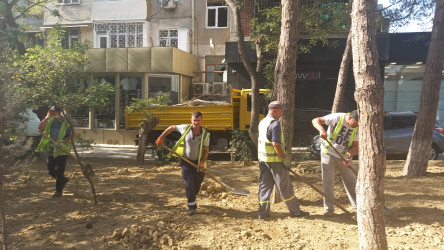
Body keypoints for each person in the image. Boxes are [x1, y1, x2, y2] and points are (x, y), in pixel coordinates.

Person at [257, 101, 310, 219]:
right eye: (281, 111)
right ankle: (295, 211)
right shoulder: (275, 124)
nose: (281, 113)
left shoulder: (262, 122)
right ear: (274, 110)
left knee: (265, 185)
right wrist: (284, 159)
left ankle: (262, 213)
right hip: (275, 161)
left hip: (263, 160)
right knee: (285, 187)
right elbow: (276, 144)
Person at [155, 111, 210, 216]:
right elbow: (171, 128)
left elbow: (206, 150)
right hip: (186, 162)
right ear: (191, 120)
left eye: (198, 120)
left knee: (196, 186)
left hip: (199, 164)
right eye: (194, 120)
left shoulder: (205, 134)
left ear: (201, 120)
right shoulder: (185, 128)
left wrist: (202, 163)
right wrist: (161, 138)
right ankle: (192, 206)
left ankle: (192, 197)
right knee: (189, 184)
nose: (196, 122)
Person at [311, 110, 359, 216]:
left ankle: (358, 208)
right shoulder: (338, 117)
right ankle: (329, 209)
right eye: (355, 124)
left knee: (352, 181)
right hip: (328, 152)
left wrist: (349, 156)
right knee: (328, 181)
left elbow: (356, 146)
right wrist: (321, 130)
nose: (356, 126)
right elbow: (316, 120)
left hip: (343, 156)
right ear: (350, 118)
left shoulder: (358, 127)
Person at [35, 106, 73, 198]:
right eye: (51, 112)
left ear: (60, 112)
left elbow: (72, 134)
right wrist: (46, 117)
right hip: (52, 148)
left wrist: (63, 141)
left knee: (59, 170)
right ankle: (63, 180)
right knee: (51, 170)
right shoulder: (50, 121)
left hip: (62, 149)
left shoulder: (66, 122)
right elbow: (40, 128)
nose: (52, 113)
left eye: (54, 112)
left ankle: (58, 191)